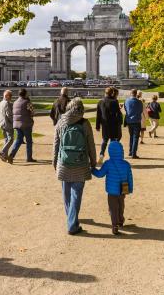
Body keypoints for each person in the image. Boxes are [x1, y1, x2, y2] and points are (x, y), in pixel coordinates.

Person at [53, 98, 97, 235]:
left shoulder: (61, 122)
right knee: (76, 194)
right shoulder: (85, 123)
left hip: (64, 163)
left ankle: (71, 218)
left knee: (66, 193)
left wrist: (54, 161)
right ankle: (72, 223)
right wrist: (93, 161)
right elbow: (91, 144)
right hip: (81, 162)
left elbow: (56, 144)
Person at [92, 140, 133, 235]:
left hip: (111, 191)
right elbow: (130, 178)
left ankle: (114, 225)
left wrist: (92, 170)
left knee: (113, 208)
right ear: (121, 151)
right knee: (121, 205)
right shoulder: (126, 164)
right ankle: (120, 220)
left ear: (110, 151)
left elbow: (100, 174)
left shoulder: (107, 163)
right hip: (123, 190)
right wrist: (130, 189)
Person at [7, 88, 36, 164]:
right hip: (26, 124)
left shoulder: (15, 102)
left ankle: (11, 155)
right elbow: (33, 112)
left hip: (17, 124)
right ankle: (29, 157)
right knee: (29, 141)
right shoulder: (27, 102)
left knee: (18, 140)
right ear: (25, 94)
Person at [95, 87, 122, 163]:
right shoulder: (114, 101)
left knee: (105, 140)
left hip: (105, 124)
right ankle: (113, 157)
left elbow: (98, 115)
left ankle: (101, 154)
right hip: (113, 124)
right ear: (112, 93)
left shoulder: (100, 102)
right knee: (113, 141)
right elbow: (117, 114)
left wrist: (97, 125)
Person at [123, 89, 143, 159]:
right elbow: (141, 110)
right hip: (136, 121)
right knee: (136, 137)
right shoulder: (139, 102)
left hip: (129, 121)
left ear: (130, 93)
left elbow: (125, 109)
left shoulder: (126, 101)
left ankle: (131, 151)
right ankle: (133, 153)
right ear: (136, 93)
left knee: (131, 136)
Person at [0, 90, 14, 162]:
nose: (11, 98)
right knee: (10, 140)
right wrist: (13, 122)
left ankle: (5, 156)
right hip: (7, 124)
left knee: (6, 140)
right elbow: (9, 115)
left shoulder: (0, 103)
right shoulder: (7, 103)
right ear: (6, 96)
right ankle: (2, 152)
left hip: (1, 123)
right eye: (10, 96)